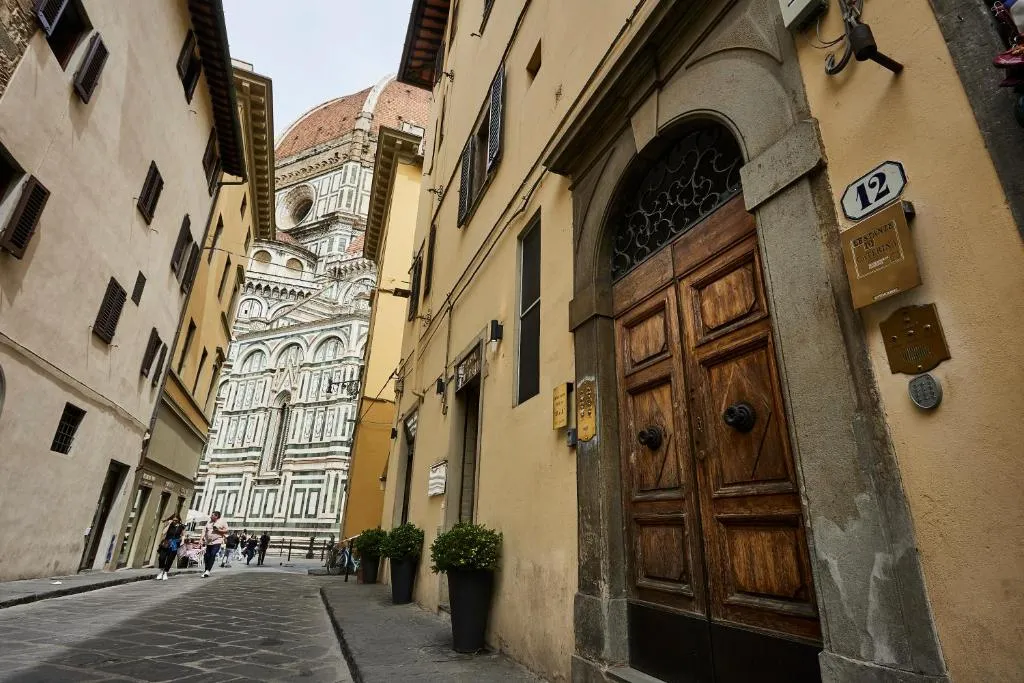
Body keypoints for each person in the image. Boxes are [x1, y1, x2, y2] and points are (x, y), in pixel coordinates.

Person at [155, 514, 185, 581]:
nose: (174, 521)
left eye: (176, 520)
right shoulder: (169, 525)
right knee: (161, 557)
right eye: (173, 520)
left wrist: (182, 541)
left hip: (174, 544)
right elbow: (163, 532)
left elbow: (183, 535)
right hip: (166, 543)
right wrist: (168, 524)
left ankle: (165, 572)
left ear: (178, 520)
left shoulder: (181, 527)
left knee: (170, 559)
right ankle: (161, 571)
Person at [200, 511, 228, 578]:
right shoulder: (209, 522)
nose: (210, 516)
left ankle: (208, 571)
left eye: (212, 515)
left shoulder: (222, 522)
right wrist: (201, 539)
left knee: (212, 554)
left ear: (216, 516)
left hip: (217, 541)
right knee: (207, 556)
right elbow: (204, 530)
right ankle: (206, 570)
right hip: (208, 542)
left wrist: (218, 530)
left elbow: (226, 530)